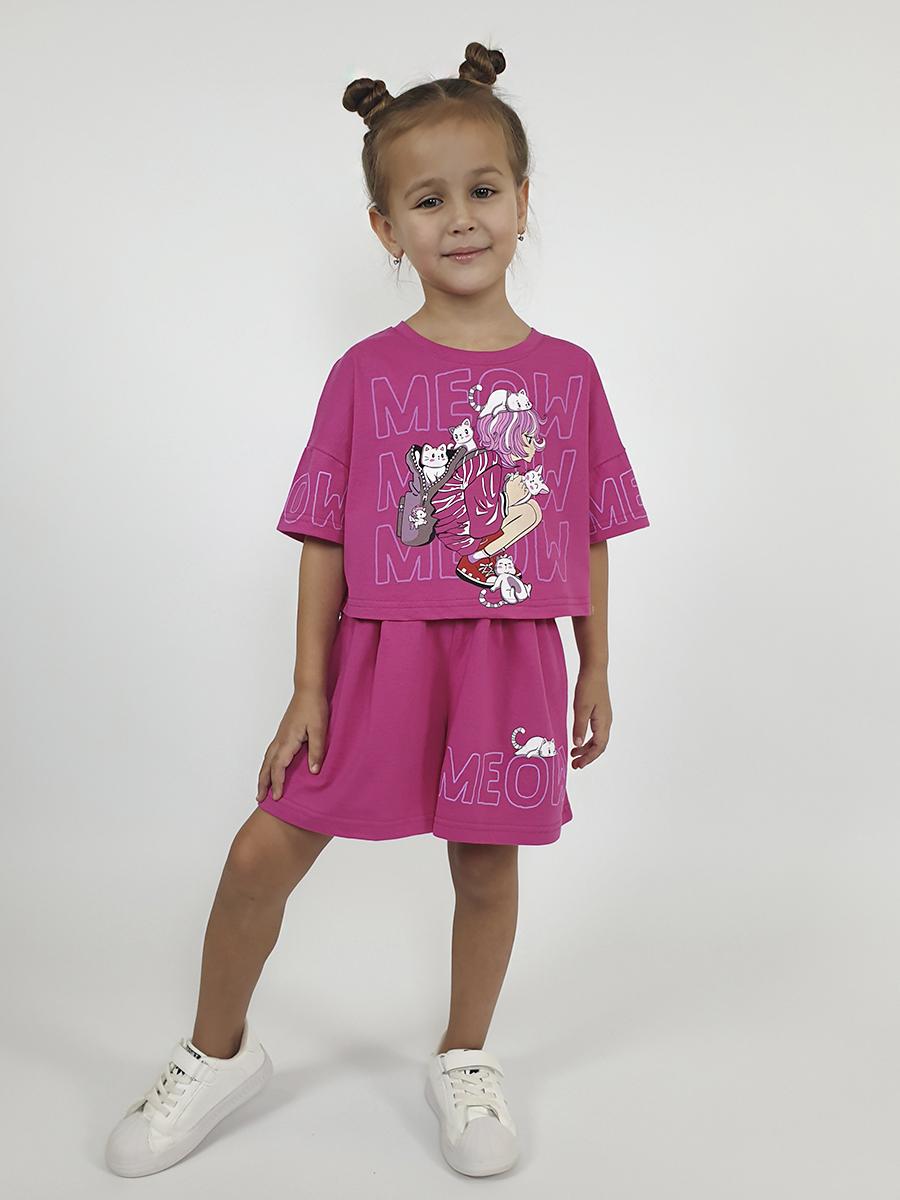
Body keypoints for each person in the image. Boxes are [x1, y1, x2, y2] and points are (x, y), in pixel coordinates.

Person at [105, 39, 651, 1181]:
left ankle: (465, 1056)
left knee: (487, 867)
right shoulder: (364, 372)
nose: (461, 219)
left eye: (483, 190)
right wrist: (307, 686)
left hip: (511, 662)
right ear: (385, 228)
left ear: (523, 201)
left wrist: (596, 665)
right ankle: (216, 1053)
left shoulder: (570, 375)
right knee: (262, 852)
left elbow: (587, 532)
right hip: (378, 660)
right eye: (427, 200)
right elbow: (324, 536)